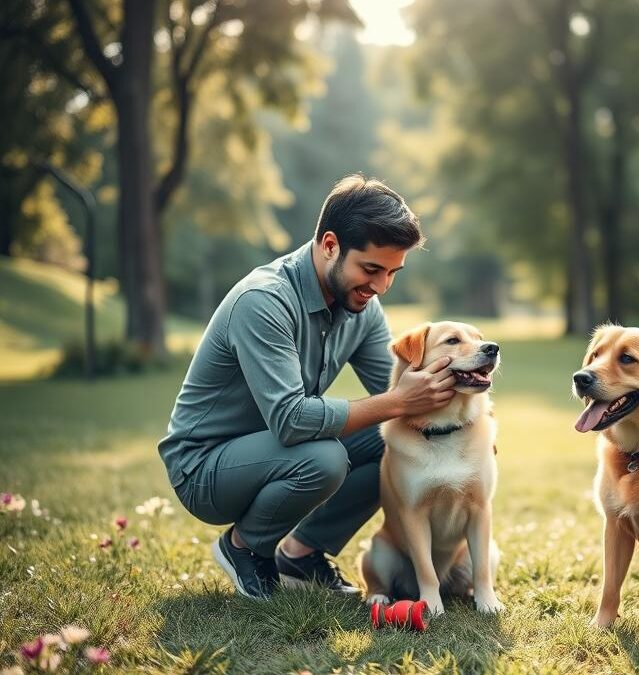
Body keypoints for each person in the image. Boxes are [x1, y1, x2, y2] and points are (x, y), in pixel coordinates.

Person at [158, 175, 456, 599]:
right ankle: (245, 547)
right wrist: (397, 401)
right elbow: (291, 421)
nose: (381, 286)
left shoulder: (362, 306)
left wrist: (464, 425)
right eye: (371, 269)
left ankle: (301, 552)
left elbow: (401, 396)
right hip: (205, 468)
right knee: (325, 457)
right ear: (330, 245)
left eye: (392, 272)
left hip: (280, 450)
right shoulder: (264, 300)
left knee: (397, 440)